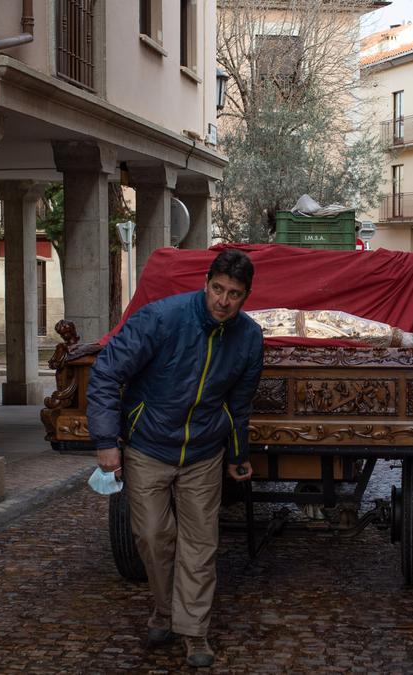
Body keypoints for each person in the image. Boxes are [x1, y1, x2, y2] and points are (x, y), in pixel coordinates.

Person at [87, 248, 263, 668]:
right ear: (206, 284)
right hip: (149, 445)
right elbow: (108, 371)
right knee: (152, 536)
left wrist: (238, 453)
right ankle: (165, 610)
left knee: (201, 545)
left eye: (234, 294)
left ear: (245, 297)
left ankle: (194, 632)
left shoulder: (249, 338)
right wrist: (106, 440)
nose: (223, 300)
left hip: (204, 451)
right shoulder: (162, 318)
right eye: (217, 289)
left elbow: (240, 403)